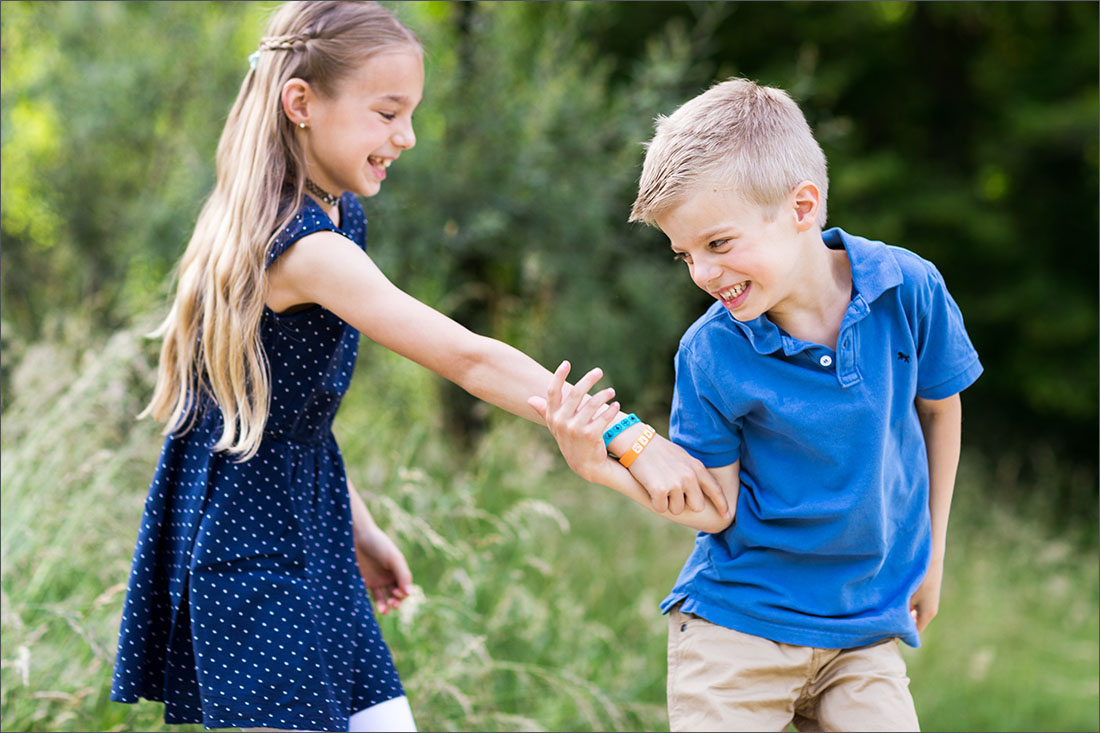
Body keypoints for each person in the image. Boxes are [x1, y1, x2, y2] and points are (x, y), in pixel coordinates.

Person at [108, 3, 728, 732]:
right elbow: (466, 357)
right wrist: (628, 434)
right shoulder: (304, 247)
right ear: (301, 104)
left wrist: (360, 527)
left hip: (314, 531)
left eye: (410, 115)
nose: (403, 137)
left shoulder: (338, 216)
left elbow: (288, 422)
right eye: (386, 113)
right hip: (251, 554)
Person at [530, 77, 983, 732]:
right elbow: (716, 508)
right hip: (738, 628)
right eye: (684, 254)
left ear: (803, 207)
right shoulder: (710, 352)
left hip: (863, 629)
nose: (704, 274)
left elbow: (941, 410)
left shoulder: (907, 288)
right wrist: (602, 467)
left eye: (719, 244)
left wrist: (933, 556)